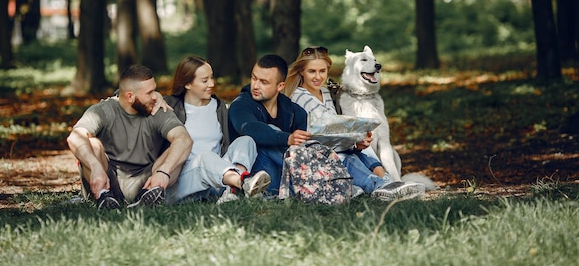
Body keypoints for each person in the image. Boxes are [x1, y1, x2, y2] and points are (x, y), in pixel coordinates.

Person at [283, 46, 425, 201]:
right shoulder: (299, 96)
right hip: (317, 154)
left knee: (362, 148)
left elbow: (335, 128)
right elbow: (320, 133)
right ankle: (381, 186)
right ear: (301, 71)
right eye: (312, 71)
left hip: (335, 147)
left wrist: (355, 142)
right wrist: (350, 142)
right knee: (348, 157)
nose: (318, 77)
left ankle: (390, 183)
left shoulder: (325, 92)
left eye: (322, 71)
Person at [66, 64, 193, 210]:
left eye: (155, 90)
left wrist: (164, 171)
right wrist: (95, 167)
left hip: (146, 180)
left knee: (177, 148)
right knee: (92, 143)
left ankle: (149, 197)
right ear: (130, 96)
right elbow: (75, 137)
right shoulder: (104, 110)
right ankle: (104, 198)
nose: (155, 96)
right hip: (107, 178)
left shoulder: (157, 110)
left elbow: (184, 139)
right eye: (149, 92)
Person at [162, 56, 271, 204]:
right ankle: (242, 183)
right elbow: (128, 95)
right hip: (184, 182)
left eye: (211, 77)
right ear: (187, 83)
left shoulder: (218, 106)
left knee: (246, 141)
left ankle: (233, 190)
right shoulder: (169, 106)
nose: (212, 84)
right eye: (204, 80)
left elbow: (227, 146)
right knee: (204, 158)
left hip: (217, 179)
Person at [228, 54, 311, 195]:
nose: (255, 85)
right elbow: (248, 127)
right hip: (253, 176)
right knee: (271, 132)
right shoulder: (240, 105)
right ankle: (310, 182)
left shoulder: (296, 112)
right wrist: (286, 138)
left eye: (264, 82)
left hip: (285, 174)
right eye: (254, 78)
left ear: (280, 86)